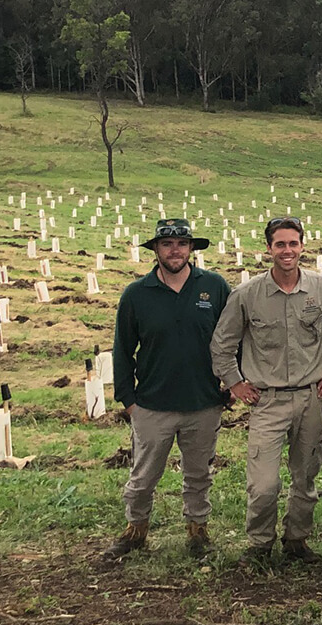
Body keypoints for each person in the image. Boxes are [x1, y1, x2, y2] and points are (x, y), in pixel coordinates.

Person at [211, 216, 322, 563]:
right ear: (269, 248)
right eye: (280, 244)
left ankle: (296, 540)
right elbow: (222, 344)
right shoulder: (247, 294)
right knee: (264, 484)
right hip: (268, 401)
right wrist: (236, 383)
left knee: (306, 475)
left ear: (303, 245)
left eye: (293, 243)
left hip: (309, 397)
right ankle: (260, 544)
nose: (287, 251)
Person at [103, 218, 231, 561]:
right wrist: (128, 399)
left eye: (181, 244)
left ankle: (198, 531)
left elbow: (234, 338)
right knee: (143, 476)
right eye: (167, 244)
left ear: (191, 249)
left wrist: (233, 383)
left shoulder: (215, 287)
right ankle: (135, 530)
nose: (175, 250)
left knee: (198, 473)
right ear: (156, 250)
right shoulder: (136, 294)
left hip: (203, 402)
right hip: (152, 405)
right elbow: (122, 348)